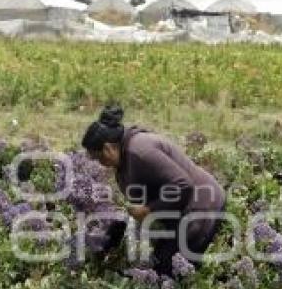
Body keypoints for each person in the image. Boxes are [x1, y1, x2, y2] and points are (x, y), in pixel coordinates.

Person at [82, 105, 226, 276]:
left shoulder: (140, 151)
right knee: (157, 263)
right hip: (180, 211)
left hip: (202, 205)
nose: (100, 164)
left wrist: (148, 210)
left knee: (166, 272)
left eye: (99, 158)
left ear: (108, 148)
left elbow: (183, 185)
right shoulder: (124, 156)